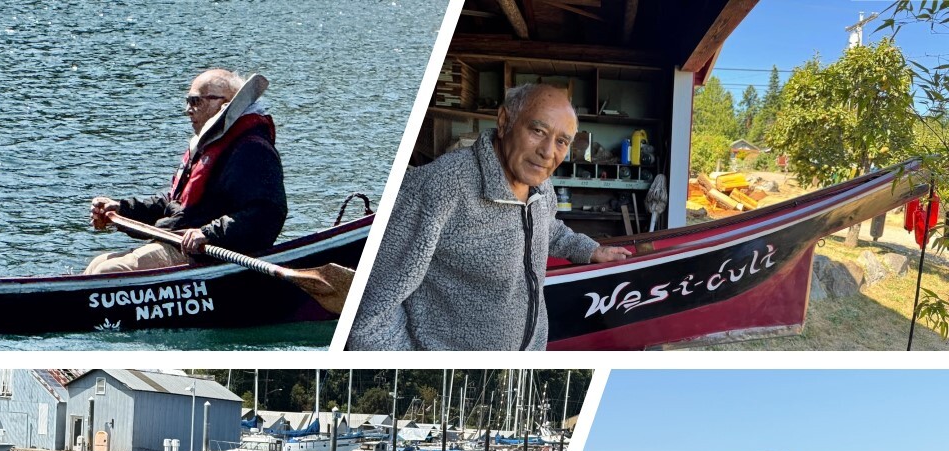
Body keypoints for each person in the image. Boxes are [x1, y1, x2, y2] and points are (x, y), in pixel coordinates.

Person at [345, 83, 630, 351]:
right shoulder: (438, 187)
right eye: (538, 131)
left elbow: (547, 227)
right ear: (505, 121)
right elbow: (371, 312)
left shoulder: (541, 185)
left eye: (562, 141)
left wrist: (591, 249)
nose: (547, 152)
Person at [85, 68, 287, 274]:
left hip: (209, 254)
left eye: (196, 101)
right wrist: (122, 209)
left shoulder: (252, 149)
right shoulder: (209, 146)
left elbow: (266, 213)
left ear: (224, 104)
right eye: (188, 101)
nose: (188, 110)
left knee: (110, 270)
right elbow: (176, 204)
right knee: (97, 264)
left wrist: (208, 234)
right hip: (180, 242)